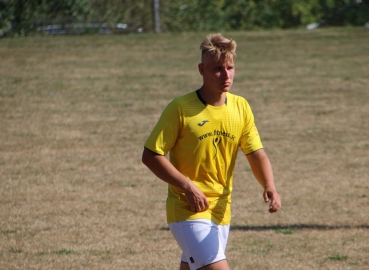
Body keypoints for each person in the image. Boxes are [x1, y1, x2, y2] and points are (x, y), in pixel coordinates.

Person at [142, 33, 281, 270]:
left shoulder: (241, 106)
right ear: (201, 69)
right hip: (188, 210)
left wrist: (269, 185)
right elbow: (151, 156)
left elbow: (255, 152)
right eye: (217, 69)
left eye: (230, 67)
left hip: (221, 209)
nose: (226, 75)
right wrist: (188, 187)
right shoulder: (180, 108)